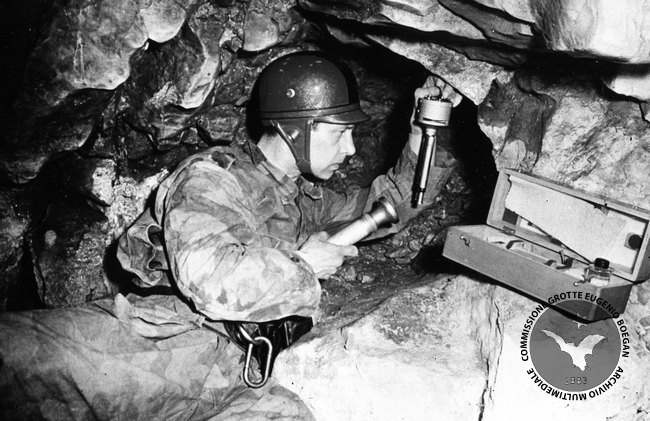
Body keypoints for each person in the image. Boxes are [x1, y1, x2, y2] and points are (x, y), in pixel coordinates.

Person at [0, 51, 461, 420]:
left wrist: (426, 128)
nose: (351, 148)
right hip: (158, 343)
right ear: (295, 128)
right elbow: (209, 278)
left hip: (241, 374)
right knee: (17, 358)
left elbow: (390, 207)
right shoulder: (212, 178)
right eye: (340, 133)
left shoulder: (304, 200)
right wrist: (303, 264)